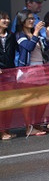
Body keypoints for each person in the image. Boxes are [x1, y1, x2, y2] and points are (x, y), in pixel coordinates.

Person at [0, 11, 14, 139]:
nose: (6, 21)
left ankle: (6, 129)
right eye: (3, 19)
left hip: (9, 73)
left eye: (8, 18)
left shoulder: (11, 35)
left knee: (9, 103)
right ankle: (2, 131)